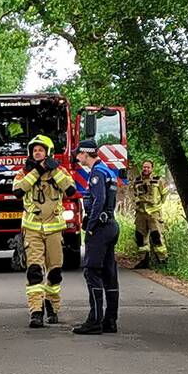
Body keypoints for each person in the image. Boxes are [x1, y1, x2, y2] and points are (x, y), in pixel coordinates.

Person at [12, 135, 77, 328]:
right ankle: (36, 311)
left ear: (47, 152)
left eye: (41, 150)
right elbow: (18, 191)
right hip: (32, 229)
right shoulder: (24, 172)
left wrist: (53, 169)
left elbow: (71, 190)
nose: (37, 152)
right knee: (34, 271)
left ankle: (52, 306)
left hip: (54, 229)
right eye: (34, 150)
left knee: (55, 272)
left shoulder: (60, 171)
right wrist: (37, 170)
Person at [72, 139, 120, 335]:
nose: (77, 157)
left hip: (100, 228)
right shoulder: (108, 171)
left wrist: (90, 226)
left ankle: (95, 321)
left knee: (92, 272)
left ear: (85, 153)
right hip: (111, 225)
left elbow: (98, 200)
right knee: (109, 273)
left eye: (78, 154)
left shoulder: (97, 174)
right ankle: (110, 320)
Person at [131, 159, 168, 268]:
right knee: (140, 237)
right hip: (140, 213)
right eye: (144, 167)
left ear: (152, 169)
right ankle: (144, 260)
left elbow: (164, 194)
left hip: (154, 214)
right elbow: (134, 194)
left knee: (157, 236)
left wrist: (158, 205)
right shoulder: (137, 181)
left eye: (148, 167)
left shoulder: (158, 180)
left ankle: (163, 260)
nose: (146, 169)